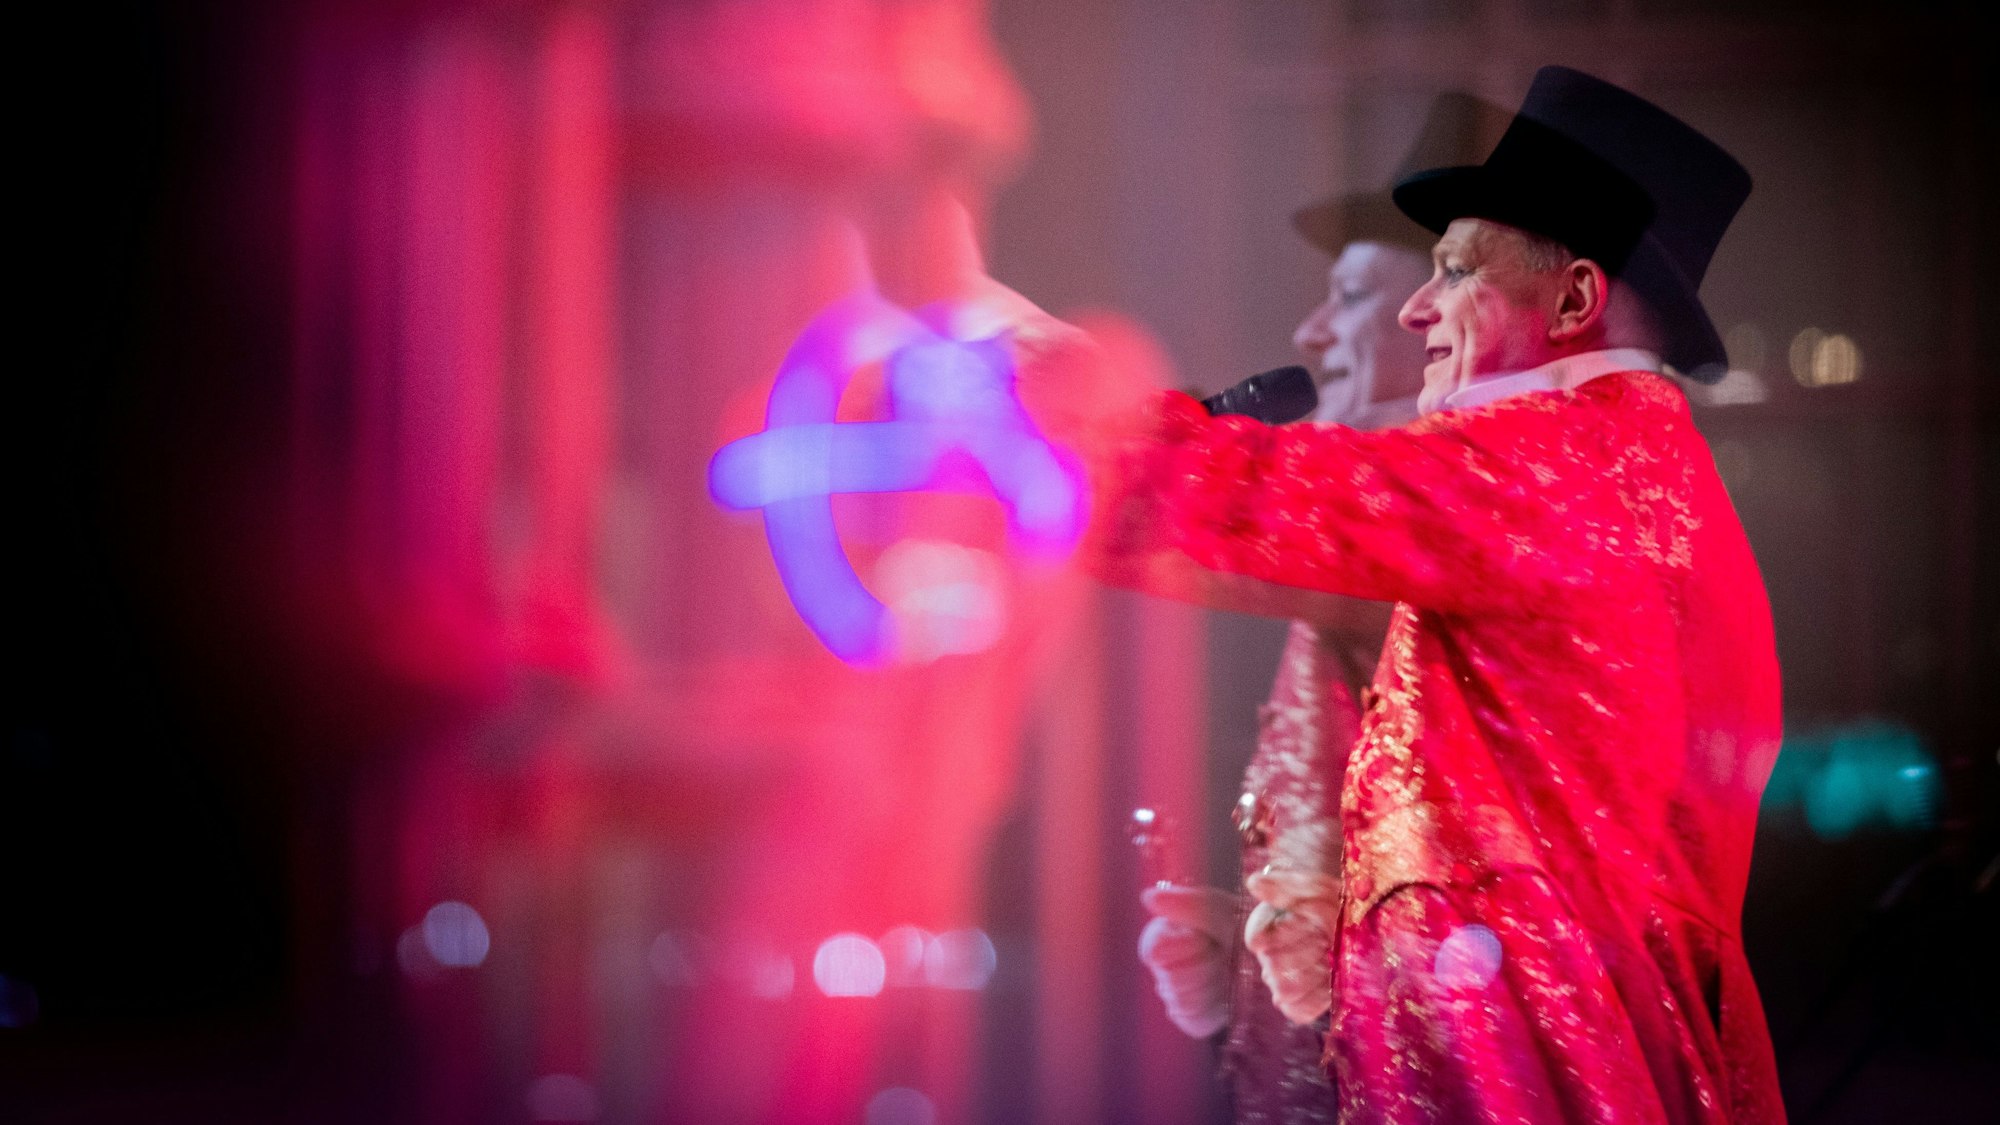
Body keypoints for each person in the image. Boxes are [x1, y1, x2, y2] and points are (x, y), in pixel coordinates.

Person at [1030, 66, 1785, 1123]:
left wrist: (1039, 393)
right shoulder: (1635, 465)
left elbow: (1235, 498)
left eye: (1455, 270)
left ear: (1572, 298)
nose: (1420, 308)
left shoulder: (1546, 458)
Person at [1134, 94, 1496, 1125]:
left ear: (1440, 308)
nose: (1306, 331)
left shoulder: (1436, 516)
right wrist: (1247, 944)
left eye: (1345, 294)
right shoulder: (1363, 521)